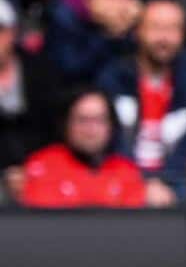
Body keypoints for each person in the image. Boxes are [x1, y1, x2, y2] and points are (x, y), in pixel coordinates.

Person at [99, 0, 186, 198]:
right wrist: (139, 184)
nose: (164, 38)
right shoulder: (113, 77)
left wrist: (164, 182)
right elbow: (109, 140)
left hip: (176, 181)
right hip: (120, 177)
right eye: (156, 27)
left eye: (173, 29)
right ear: (137, 31)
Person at [17, 88, 150, 208]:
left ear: (111, 126)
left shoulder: (126, 170)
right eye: (82, 120)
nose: (91, 130)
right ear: (66, 125)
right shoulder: (43, 165)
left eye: (99, 120)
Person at [0, 0, 63, 179]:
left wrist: (36, 167)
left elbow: (52, 127)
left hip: (40, 170)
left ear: (13, 32)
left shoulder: (40, 71)